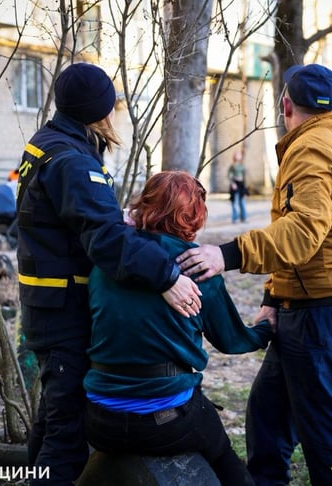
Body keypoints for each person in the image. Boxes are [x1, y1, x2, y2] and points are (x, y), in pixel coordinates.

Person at [176, 64, 332, 486]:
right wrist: (273, 300)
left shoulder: (312, 150)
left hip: (326, 317)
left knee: (330, 439)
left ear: (285, 105)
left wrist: (226, 255)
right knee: (267, 417)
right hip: (310, 309)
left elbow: (302, 233)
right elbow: (312, 238)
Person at [15, 63, 202, 485]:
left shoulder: (46, 143)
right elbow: (104, 242)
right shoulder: (74, 163)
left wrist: (108, 218)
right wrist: (168, 277)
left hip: (46, 305)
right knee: (65, 436)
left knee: (51, 419)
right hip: (63, 314)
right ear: (98, 112)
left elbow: (54, 218)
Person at [84, 171, 273, 485]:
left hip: (98, 417)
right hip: (166, 422)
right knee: (226, 458)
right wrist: (265, 329)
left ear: (144, 205)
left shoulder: (107, 259)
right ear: (194, 218)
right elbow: (232, 341)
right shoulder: (197, 268)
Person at [228, 151, 247, 223]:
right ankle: (235, 218)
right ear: (234, 156)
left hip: (241, 185)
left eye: (240, 155)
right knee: (235, 202)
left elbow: (244, 176)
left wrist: (245, 186)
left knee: (242, 202)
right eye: (237, 155)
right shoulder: (232, 166)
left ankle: (243, 218)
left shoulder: (242, 165)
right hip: (235, 185)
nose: (239, 156)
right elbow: (229, 175)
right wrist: (232, 183)